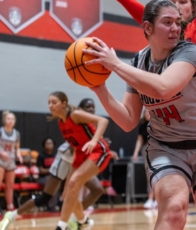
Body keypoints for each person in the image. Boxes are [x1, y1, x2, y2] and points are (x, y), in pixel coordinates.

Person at [84, 0, 196, 230]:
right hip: (167, 150)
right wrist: (101, 90)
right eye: (167, 22)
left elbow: (164, 87)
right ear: (147, 28)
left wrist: (115, 65)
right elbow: (128, 120)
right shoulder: (139, 62)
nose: (175, 29)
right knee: (173, 210)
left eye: (178, 23)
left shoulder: (189, 52)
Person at [97, 0, 196, 134]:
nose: (177, 5)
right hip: (169, 106)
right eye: (171, 2)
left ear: (193, 7)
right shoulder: (157, 26)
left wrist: (115, 64)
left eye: (182, 1)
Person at [0, 98, 114, 230]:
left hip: (80, 159)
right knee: (46, 197)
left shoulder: (89, 125)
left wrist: (99, 143)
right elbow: (76, 147)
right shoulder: (73, 120)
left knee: (95, 190)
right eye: (87, 108)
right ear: (80, 109)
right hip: (65, 158)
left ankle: (77, 220)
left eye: (92, 108)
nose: (91, 111)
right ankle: (12, 215)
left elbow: (94, 144)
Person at [132, 109, 156, 209]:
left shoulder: (158, 125)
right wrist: (135, 153)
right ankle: (150, 199)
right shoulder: (142, 126)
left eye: (148, 112)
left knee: (160, 174)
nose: (146, 114)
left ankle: (158, 199)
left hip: (158, 150)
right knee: (149, 174)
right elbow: (140, 140)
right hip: (146, 149)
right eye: (145, 112)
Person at [0, 111, 23, 211]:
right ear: (4, 120)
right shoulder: (0, 131)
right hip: (1, 159)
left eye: (12, 119)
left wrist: (19, 155)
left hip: (11, 161)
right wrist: (2, 153)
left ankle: (10, 206)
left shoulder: (16, 133)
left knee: (10, 185)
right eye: (8, 119)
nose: (10, 121)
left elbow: (17, 148)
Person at [36, 137, 57, 211]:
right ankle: (50, 206)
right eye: (47, 143)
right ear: (44, 145)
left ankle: (61, 203)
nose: (49, 145)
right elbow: (41, 170)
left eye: (50, 143)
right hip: (43, 178)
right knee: (53, 182)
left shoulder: (56, 156)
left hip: (54, 176)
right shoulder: (41, 156)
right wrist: (52, 170)